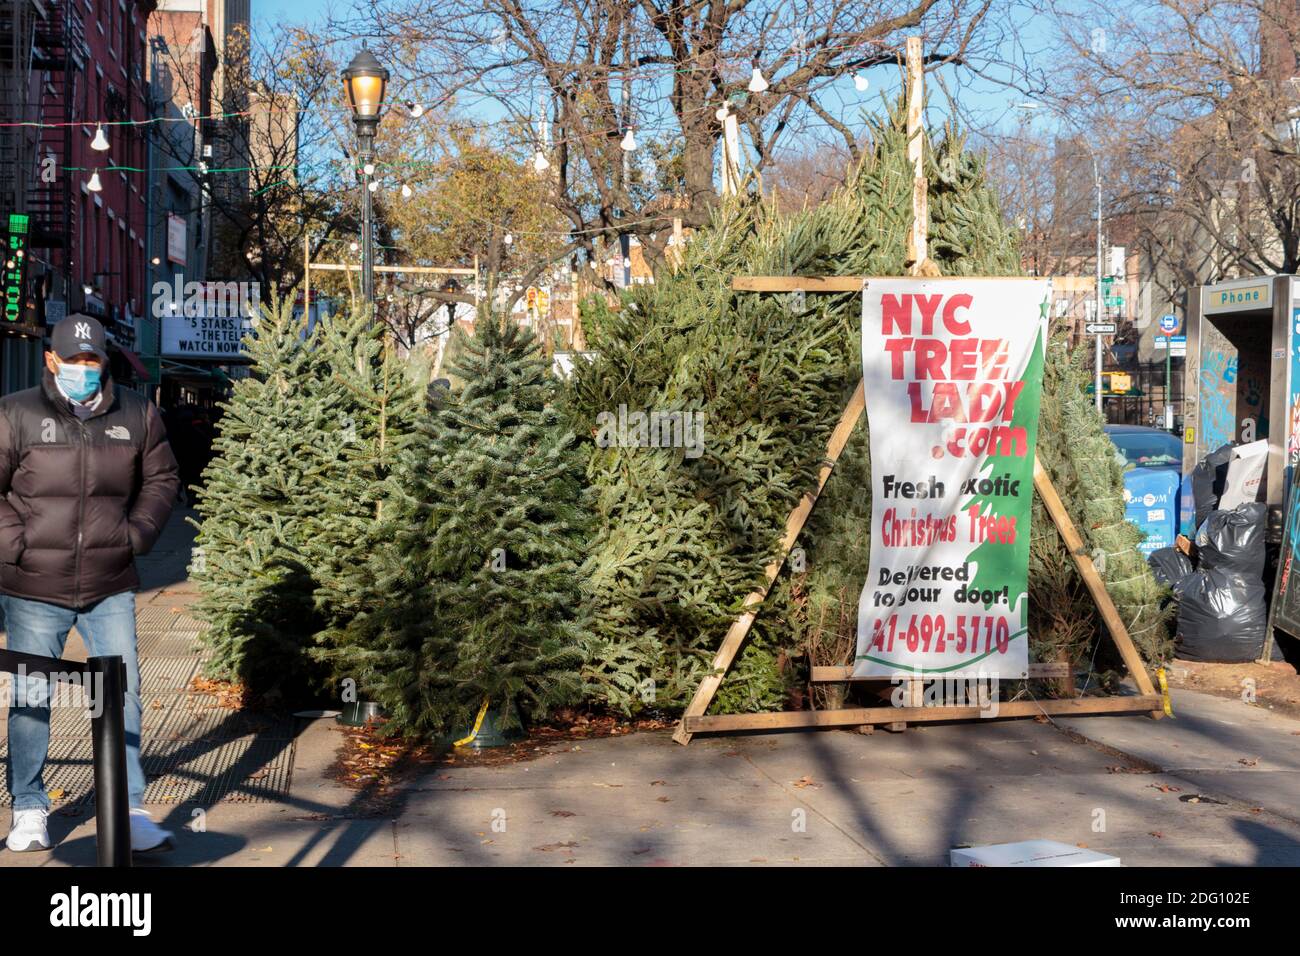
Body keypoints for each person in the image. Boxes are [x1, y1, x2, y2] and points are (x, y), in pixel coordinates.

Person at [0, 314, 179, 853]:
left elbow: (162, 478)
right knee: (32, 695)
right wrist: (17, 545)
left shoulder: (136, 413)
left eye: (92, 360)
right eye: (73, 360)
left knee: (121, 698)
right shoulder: (16, 413)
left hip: (110, 582)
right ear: (51, 360)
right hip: (34, 585)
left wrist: (137, 535)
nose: (84, 369)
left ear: (104, 361)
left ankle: (127, 809)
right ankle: (30, 807)